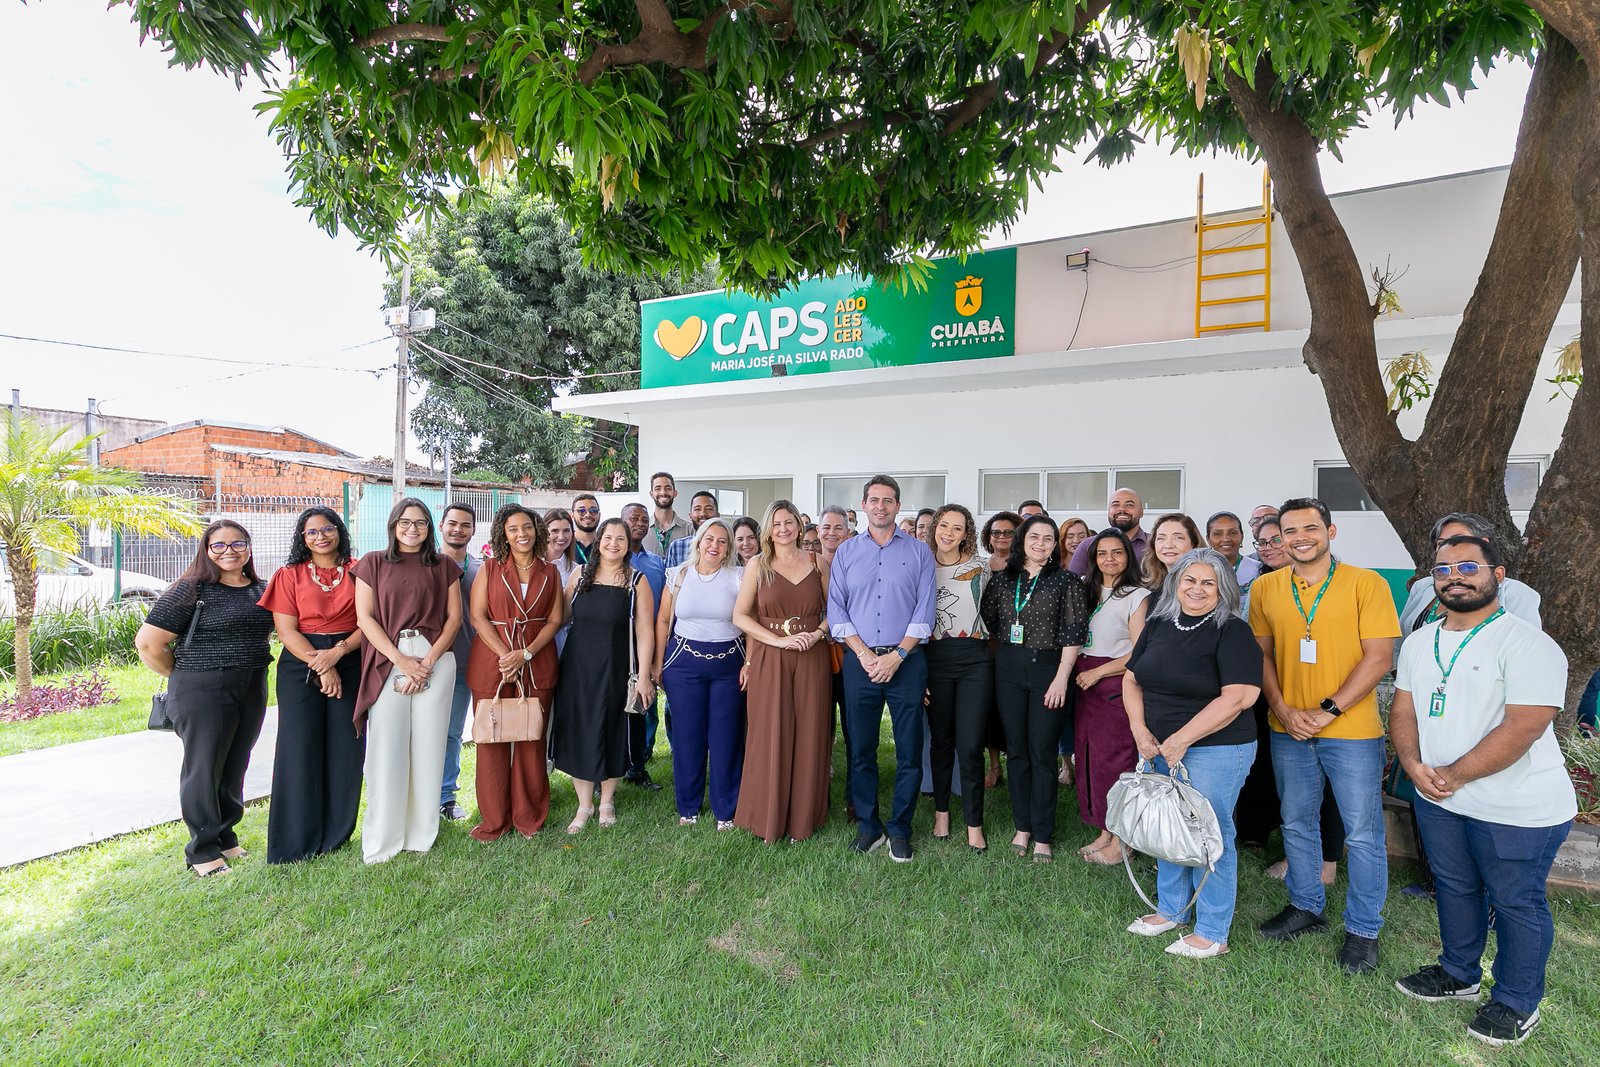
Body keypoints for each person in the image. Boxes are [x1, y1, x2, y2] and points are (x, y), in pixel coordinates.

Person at [1391, 535, 1574, 1046]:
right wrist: (1413, 764)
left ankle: (1517, 1003)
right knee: (1455, 888)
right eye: (1443, 567)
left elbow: (1524, 727)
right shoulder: (1420, 641)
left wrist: (1456, 774)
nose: (1455, 575)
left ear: (1498, 574)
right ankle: (1458, 974)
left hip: (1518, 807)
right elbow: (1403, 710)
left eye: (1468, 565)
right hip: (1440, 797)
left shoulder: (1528, 642)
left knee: (1517, 902)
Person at [1250, 497, 1399, 974]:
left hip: (1351, 731)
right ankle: (1306, 907)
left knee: (1362, 834)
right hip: (1288, 727)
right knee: (1295, 821)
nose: (1299, 537)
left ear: (1330, 532)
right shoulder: (1266, 588)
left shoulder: (1366, 583)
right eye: (1289, 530)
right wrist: (1282, 708)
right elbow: (1262, 657)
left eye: (1309, 528)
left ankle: (1363, 930)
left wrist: (1328, 709)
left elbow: (1379, 658)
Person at [1122, 548, 1263, 958]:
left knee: (1209, 836)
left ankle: (1213, 931)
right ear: (1175, 583)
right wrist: (1138, 729)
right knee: (1168, 828)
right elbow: (1132, 679)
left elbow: (1240, 696)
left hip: (1216, 748)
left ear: (1223, 589)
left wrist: (1182, 739)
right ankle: (1172, 910)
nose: (1197, 589)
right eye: (1189, 580)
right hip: (1158, 746)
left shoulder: (1231, 631)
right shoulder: (1159, 623)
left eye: (1208, 582)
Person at [136, 520, 273, 877]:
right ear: (206, 550)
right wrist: (184, 676)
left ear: (248, 547)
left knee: (235, 762)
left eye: (237, 544)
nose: (229, 551)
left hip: (252, 682)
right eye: (219, 545)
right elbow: (148, 644)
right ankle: (202, 850)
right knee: (204, 767)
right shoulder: (190, 590)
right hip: (203, 688)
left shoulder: (260, 588)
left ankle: (225, 836)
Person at [829, 475, 937, 863]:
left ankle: (900, 829)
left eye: (888, 500)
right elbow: (836, 611)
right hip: (860, 663)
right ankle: (869, 827)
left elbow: (925, 613)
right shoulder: (845, 553)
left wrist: (896, 657)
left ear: (898, 506)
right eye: (873, 500)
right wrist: (863, 654)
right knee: (861, 749)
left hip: (906, 663)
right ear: (863, 505)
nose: (880, 506)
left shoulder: (919, 552)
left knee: (909, 750)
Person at [351, 499, 463, 864]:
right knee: (387, 748)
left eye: (420, 523)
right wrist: (401, 661)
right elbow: (365, 618)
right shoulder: (372, 563)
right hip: (390, 656)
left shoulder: (443, 566)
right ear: (393, 524)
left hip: (434, 657)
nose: (412, 528)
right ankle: (383, 838)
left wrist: (427, 663)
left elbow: (454, 620)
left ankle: (421, 835)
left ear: (430, 528)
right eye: (405, 522)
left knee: (429, 748)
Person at [257, 507, 366, 864]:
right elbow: (286, 631)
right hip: (301, 665)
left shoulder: (360, 570)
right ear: (302, 539)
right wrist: (321, 664)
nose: (320, 537)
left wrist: (336, 655)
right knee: (299, 748)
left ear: (339, 531)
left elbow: (370, 622)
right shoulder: (288, 575)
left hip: (350, 659)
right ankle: (295, 841)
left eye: (327, 529)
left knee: (345, 748)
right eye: (311, 532)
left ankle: (335, 836)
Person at [978, 513, 1089, 863]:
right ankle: (1021, 826)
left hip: (1050, 669)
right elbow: (991, 620)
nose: (1040, 544)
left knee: (1042, 752)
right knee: (1018, 751)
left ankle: (1042, 833)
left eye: (1047, 538)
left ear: (1054, 544)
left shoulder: (1067, 581)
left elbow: (1074, 632)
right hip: (1008, 667)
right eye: (1034, 537)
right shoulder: (1002, 580)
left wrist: (1061, 676)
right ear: (1022, 540)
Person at [734, 501, 833, 842]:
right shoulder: (757, 565)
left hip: (811, 655)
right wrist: (776, 642)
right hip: (769, 656)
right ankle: (767, 817)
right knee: (770, 732)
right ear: (769, 529)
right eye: (776, 523)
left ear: (800, 526)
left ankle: (803, 819)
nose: (783, 529)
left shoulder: (818, 563)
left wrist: (817, 634)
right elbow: (741, 616)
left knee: (809, 732)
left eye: (789, 522)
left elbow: (835, 611)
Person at [464, 504, 563, 841]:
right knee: (490, 742)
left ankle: (529, 818)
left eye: (527, 527)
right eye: (513, 529)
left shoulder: (550, 571)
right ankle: (494, 820)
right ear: (503, 535)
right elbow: (477, 617)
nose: (522, 534)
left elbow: (554, 620)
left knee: (530, 740)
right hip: (493, 662)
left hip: (536, 662)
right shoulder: (489, 569)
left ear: (537, 530)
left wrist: (527, 653)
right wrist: (507, 654)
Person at [551, 517, 657, 832]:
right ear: (598, 541)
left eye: (620, 539)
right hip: (577, 668)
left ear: (628, 545)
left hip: (617, 668)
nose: (613, 543)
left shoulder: (637, 581)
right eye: (608, 537)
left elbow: (645, 631)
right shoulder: (578, 575)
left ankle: (607, 799)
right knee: (579, 729)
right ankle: (584, 805)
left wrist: (644, 676)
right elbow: (560, 618)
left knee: (612, 729)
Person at [655, 518, 746, 829]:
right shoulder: (678, 575)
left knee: (726, 737)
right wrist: (657, 664)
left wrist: (749, 664)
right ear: (698, 541)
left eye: (722, 541)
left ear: (729, 548)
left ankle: (726, 810)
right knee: (688, 736)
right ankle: (688, 808)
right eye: (709, 539)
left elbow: (750, 619)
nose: (714, 546)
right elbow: (662, 620)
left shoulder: (739, 576)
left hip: (729, 662)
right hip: (683, 662)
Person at [1073, 528, 1150, 866]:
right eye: (1102, 553)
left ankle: (1124, 842)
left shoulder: (1136, 595)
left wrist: (1099, 672)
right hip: (1084, 684)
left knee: (1116, 763)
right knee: (1089, 759)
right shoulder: (1086, 591)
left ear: (1128, 556)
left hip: (1114, 684)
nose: (1109, 559)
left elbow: (1139, 651)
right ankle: (1104, 832)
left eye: (1117, 552)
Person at [923, 504, 993, 851]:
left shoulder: (981, 566)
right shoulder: (921, 565)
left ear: (967, 533)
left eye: (958, 528)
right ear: (934, 527)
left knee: (969, 746)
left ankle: (973, 822)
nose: (949, 533)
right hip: (934, 659)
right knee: (941, 741)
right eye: (944, 526)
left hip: (974, 661)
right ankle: (941, 813)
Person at [1398, 513, 1541, 635]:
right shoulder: (1423, 587)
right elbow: (1400, 643)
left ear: (1484, 543)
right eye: (1442, 543)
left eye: (1460, 539)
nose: (1450, 547)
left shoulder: (1517, 594)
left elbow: (1524, 644)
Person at [621, 502, 668, 789]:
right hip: (619, 641)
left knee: (644, 703)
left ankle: (639, 764)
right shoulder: (612, 559)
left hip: (647, 639)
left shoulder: (655, 562)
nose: (638, 523)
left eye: (643, 519)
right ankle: (614, 765)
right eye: (632, 518)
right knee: (617, 707)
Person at [438, 502, 480, 822]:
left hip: (468, 662)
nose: (458, 529)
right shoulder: (426, 566)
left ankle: (445, 797)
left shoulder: (481, 569)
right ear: (441, 526)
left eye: (465, 525)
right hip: (429, 662)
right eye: (452, 523)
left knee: (452, 733)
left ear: (473, 531)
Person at [978, 510, 1022, 787]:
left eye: (1009, 532)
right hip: (985, 645)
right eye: (996, 532)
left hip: (1017, 645)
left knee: (1014, 708)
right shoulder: (979, 567)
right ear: (988, 537)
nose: (1002, 537)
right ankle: (994, 767)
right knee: (989, 708)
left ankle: (1019, 762)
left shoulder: (1025, 567)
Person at [817, 505, 855, 814]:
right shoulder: (807, 564)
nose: (832, 533)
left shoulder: (858, 561)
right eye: (826, 527)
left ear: (848, 531)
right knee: (818, 726)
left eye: (838, 528)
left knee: (854, 727)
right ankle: (817, 791)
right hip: (815, 656)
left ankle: (855, 798)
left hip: (850, 655)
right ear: (817, 532)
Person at [1068, 488, 1148, 576]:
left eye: (1129, 505)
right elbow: (1072, 584)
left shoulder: (1155, 545)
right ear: (1108, 511)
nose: (1121, 509)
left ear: (1141, 512)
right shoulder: (1087, 545)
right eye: (1115, 505)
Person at [1141, 513, 1203, 609]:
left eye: (1178, 538)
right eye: (1161, 538)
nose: (1169, 545)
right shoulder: (1152, 591)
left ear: (1193, 544)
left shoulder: (1204, 588)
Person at [1207, 511, 1263, 588]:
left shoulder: (1258, 569)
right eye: (1217, 533)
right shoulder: (1201, 570)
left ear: (1242, 536)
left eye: (1233, 532)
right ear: (1208, 539)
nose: (1226, 539)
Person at [665, 490, 720, 568]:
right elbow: (669, 579)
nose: (703, 513)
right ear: (690, 515)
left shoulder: (725, 547)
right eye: (697, 509)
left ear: (717, 515)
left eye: (709, 509)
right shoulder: (676, 547)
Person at [644, 471, 691, 557]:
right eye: (658, 488)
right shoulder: (642, 529)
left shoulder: (690, 530)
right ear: (651, 494)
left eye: (668, 488)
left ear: (675, 493)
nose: (663, 492)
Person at [571, 493, 602, 563]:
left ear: (599, 515)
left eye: (593, 511)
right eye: (581, 511)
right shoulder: (565, 542)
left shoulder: (606, 543)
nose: (588, 515)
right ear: (572, 515)